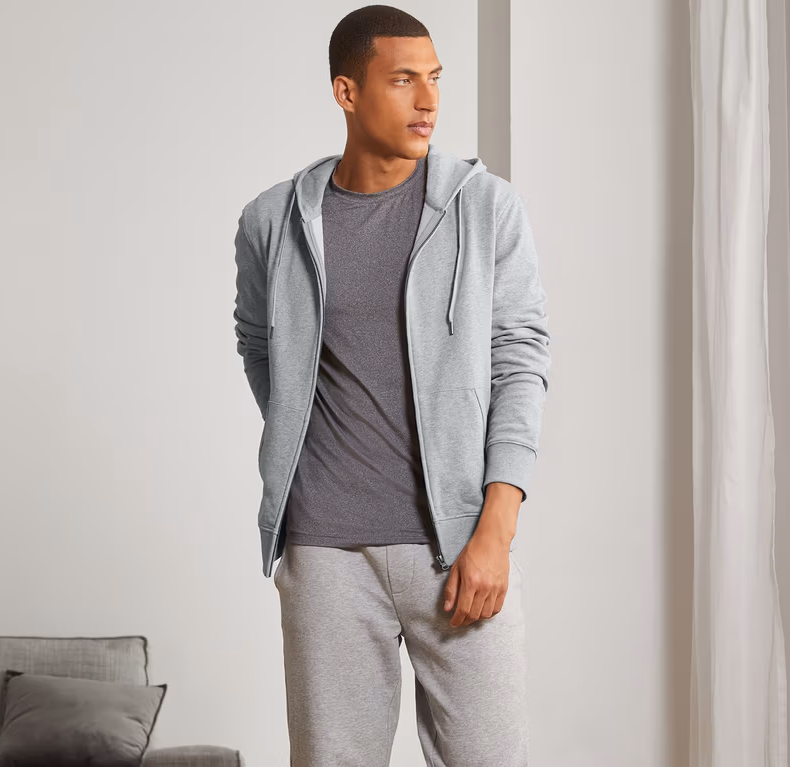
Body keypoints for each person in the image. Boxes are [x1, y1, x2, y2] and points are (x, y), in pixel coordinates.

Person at [232, 5, 551, 765]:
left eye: (435, 79)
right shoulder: (273, 221)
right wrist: (302, 434)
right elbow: (259, 343)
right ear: (347, 92)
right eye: (404, 80)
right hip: (326, 550)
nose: (429, 100)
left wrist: (496, 531)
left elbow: (519, 361)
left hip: (457, 542)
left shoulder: (486, 207)